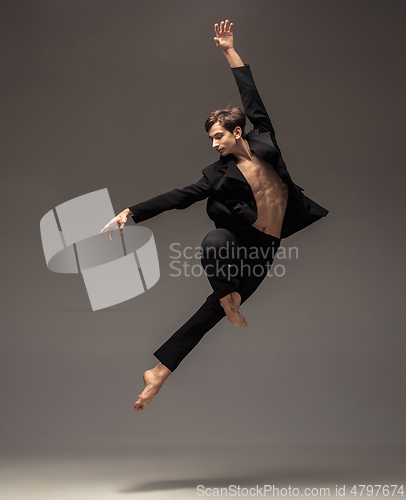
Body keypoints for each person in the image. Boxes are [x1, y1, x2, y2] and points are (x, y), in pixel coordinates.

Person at [100, 20, 328, 411]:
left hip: (266, 246)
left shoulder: (266, 141)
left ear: (238, 132)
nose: (214, 143)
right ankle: (227, 297)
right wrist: (130, 212)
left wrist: (229, 51)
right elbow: (180, 196)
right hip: (239, 238)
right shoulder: (216, 175)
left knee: (212, 312)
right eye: (210, 138)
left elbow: (250, 94)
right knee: (213, 241)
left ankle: (158, 373)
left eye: (218, 136)